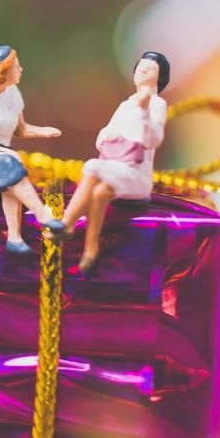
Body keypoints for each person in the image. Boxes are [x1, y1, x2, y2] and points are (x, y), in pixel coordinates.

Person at [62, 50, 170, 275]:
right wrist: (108, 136)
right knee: (101, 193)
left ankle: (67, 224)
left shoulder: (157, 104)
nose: (143, 70)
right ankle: (91, 249)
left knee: (92, 167)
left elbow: (154, 139)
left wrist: (143, 112)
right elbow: (103, 136)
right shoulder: (124, 105)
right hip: (117, 167)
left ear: (159, 78)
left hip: (136, 175)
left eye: (149, 69)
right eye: (140, 66)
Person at [0, 45, 63, 254]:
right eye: (16, 67)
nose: (21, 69)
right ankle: (43, 216)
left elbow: (20, 129)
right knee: (9, 165)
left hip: (3, 158)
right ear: (3, 74)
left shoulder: (13, 92)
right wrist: (4, 152)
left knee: (10, 176)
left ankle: (14, 238)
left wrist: (41, 131)